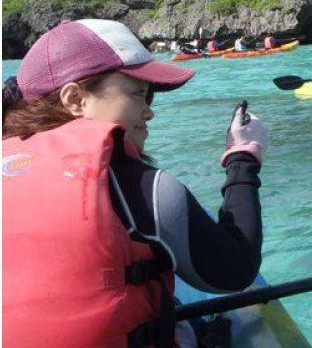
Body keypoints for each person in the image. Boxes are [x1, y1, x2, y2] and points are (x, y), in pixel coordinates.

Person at [2, 19, 266, 347]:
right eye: (138, 94)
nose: (148, 112)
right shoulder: (146, 190)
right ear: (75, 100)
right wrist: (242, 159)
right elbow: (235, 272)